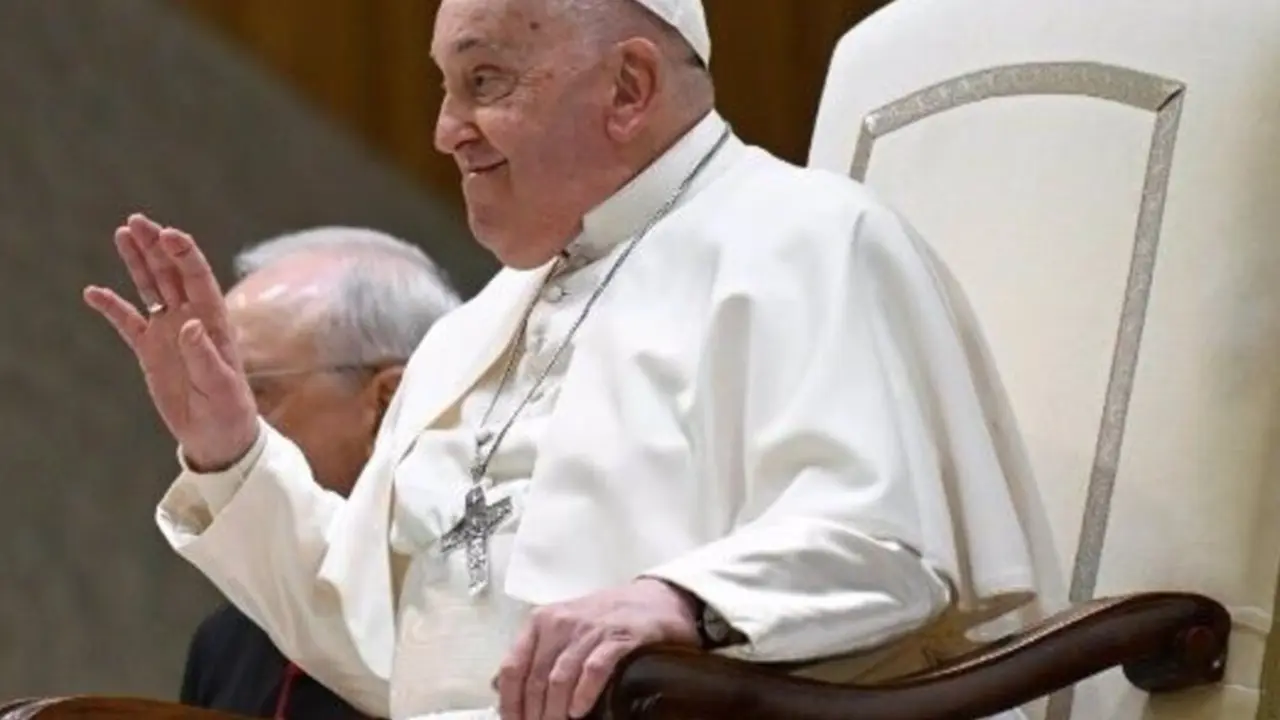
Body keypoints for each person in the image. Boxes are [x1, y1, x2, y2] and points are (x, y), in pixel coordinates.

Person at [84, 0, 1059, 718]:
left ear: (628, 88)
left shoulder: (807, 242)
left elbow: (892, 549)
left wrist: (680, 600)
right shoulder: (476, 328)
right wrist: (229, 451)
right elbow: (376, 648)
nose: (443, 129)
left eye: (484, 81)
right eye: (442, 85)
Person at [177, 227, 460, 719]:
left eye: (251, 393)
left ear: (386, 401)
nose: (215, 424)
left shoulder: (470, 602)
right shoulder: (225, 641)